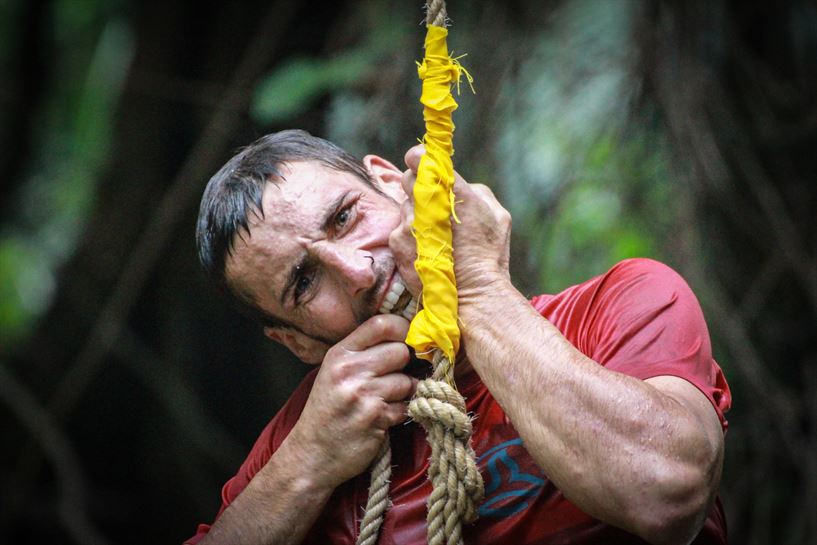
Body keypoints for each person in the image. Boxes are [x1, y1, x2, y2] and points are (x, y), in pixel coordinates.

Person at [187, 130, 731, 545]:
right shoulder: (310, 434)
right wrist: (308, 462)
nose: (357, 272)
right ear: (296, 343)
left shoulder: (617, 305)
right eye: (304, 282)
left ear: (394, 183)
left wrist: (479, 291)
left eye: (345, 218)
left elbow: (667, 492)